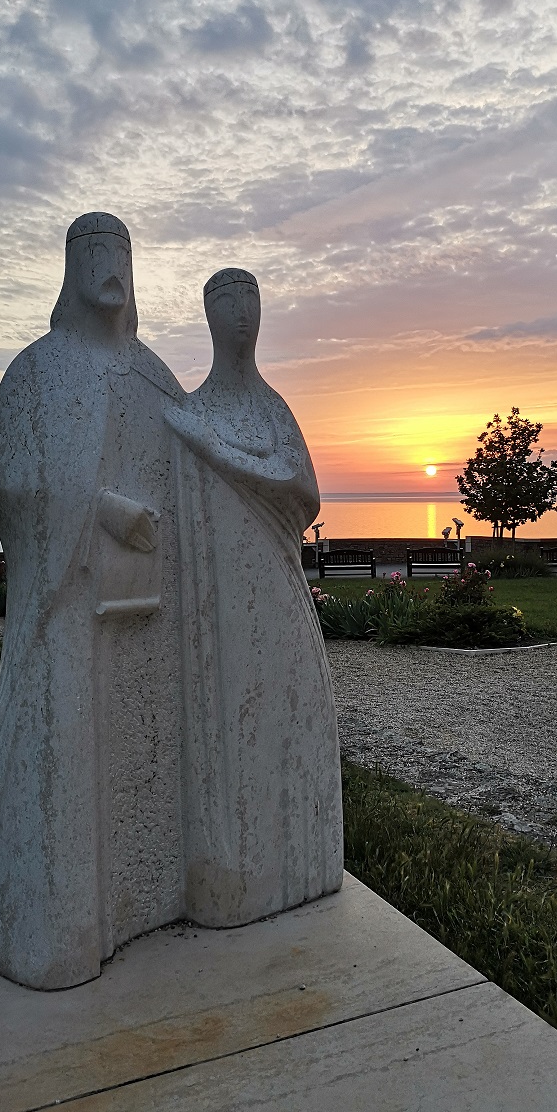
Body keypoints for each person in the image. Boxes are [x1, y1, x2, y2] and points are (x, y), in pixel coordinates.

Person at [0, 213, 186, 990]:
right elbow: (4, 479)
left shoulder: (154, 373)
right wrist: (95, 508)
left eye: (120, 252)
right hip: (67, 605)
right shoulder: (36, 372)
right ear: (70, 269)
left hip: (143, 608)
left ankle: (145, 896)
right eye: (93, 253)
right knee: (64, 747)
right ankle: (61, 922)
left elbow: (190, 467)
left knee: (144, 748)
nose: (109, 267)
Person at [165, 268, 343, 926]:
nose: (241, 313)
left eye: (251, 301)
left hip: (275, 582)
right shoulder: (191, 410)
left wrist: (216, 449)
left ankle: (301, 857)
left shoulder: (266, 409)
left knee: (293, 709)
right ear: (208, 315)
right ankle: (241, 866)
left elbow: (301, 486)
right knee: (234, 720)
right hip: (220, 596)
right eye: (226, 301)